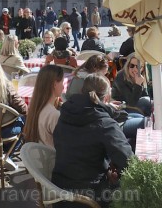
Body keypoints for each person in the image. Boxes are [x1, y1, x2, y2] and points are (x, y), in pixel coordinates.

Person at [52, 74, 133, 207]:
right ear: (106, 98)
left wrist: (105, 169)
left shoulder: (65, 113)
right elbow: (129, 162)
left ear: (81, 91)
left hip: (58, 192)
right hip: (88, 198)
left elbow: (74, 148)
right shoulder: (105, 124)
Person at [23, 64, 64, 147]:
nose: (63, 87)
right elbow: (64, 144)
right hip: (51, 158)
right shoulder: (54, 115)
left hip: (37, 158)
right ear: (55, 84)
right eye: (62, 82)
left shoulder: (35, 107)